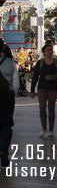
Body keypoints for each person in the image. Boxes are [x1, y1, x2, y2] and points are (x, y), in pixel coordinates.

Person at [30, 44, 57, 138]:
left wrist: (54, 77)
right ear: (44, 52)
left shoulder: (56, 62)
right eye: (48, 50)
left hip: (52, 87)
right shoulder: (40, 63)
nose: (50, 51)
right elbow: (35, 76)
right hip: (42, 87)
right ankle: (43, 128)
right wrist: (32, 90)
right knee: (42, 107)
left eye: (51, 50)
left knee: (51, 108)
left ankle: (51, 130)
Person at [0, 39, 19, 167]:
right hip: (6, 97)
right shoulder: (10, 63)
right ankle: (4, 150)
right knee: (6, 124)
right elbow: (15, 85)